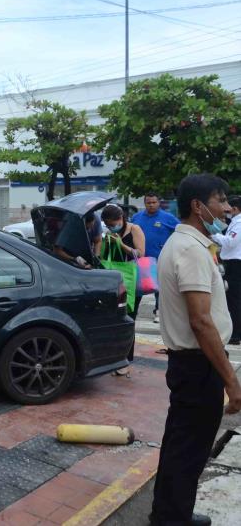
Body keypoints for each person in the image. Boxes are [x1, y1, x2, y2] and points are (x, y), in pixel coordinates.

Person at [150, 174, 241, 526]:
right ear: (198, 206)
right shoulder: (189, 249)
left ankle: (170, 513)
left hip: (191, 364)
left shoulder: (191, 244)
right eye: (220, 201)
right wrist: (231, 381)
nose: (227, 208)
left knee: (180, 445)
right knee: (189, 449)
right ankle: (172, 519)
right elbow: (201, 322)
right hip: (197, 365)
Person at [100, 204, 146, 376]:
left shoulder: (135, 229)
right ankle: (114, 359)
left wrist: (121, 244)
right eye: (108, 224)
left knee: (128, 319)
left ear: (121, 218)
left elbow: (140, 254)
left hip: (130, 280)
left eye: (114, 223)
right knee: (114, 321)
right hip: (113, 282)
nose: (112, 227)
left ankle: (127, 360)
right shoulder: (109, 233)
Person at [132, 193, 180, 322]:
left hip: (160, 259)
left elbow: (180, 233)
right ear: (144, 203)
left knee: (160, 288)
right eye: (148, 202)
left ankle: (159, 311)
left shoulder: (168, 218)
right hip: (141, 260)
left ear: (159, 203)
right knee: (138, 286)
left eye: (154, 202)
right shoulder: (136, 218)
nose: (151, 205)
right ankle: (132, 313)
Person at [211, 195, 241, 345]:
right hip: (234, 262)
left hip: (235, 263)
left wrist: (214, 235)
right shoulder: (235, 222)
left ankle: (235, 334)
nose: (227, 210)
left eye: (229, 207)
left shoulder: (239, 223)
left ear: (235, 209)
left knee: (234, 300)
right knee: (234, 299)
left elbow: (230, 242)